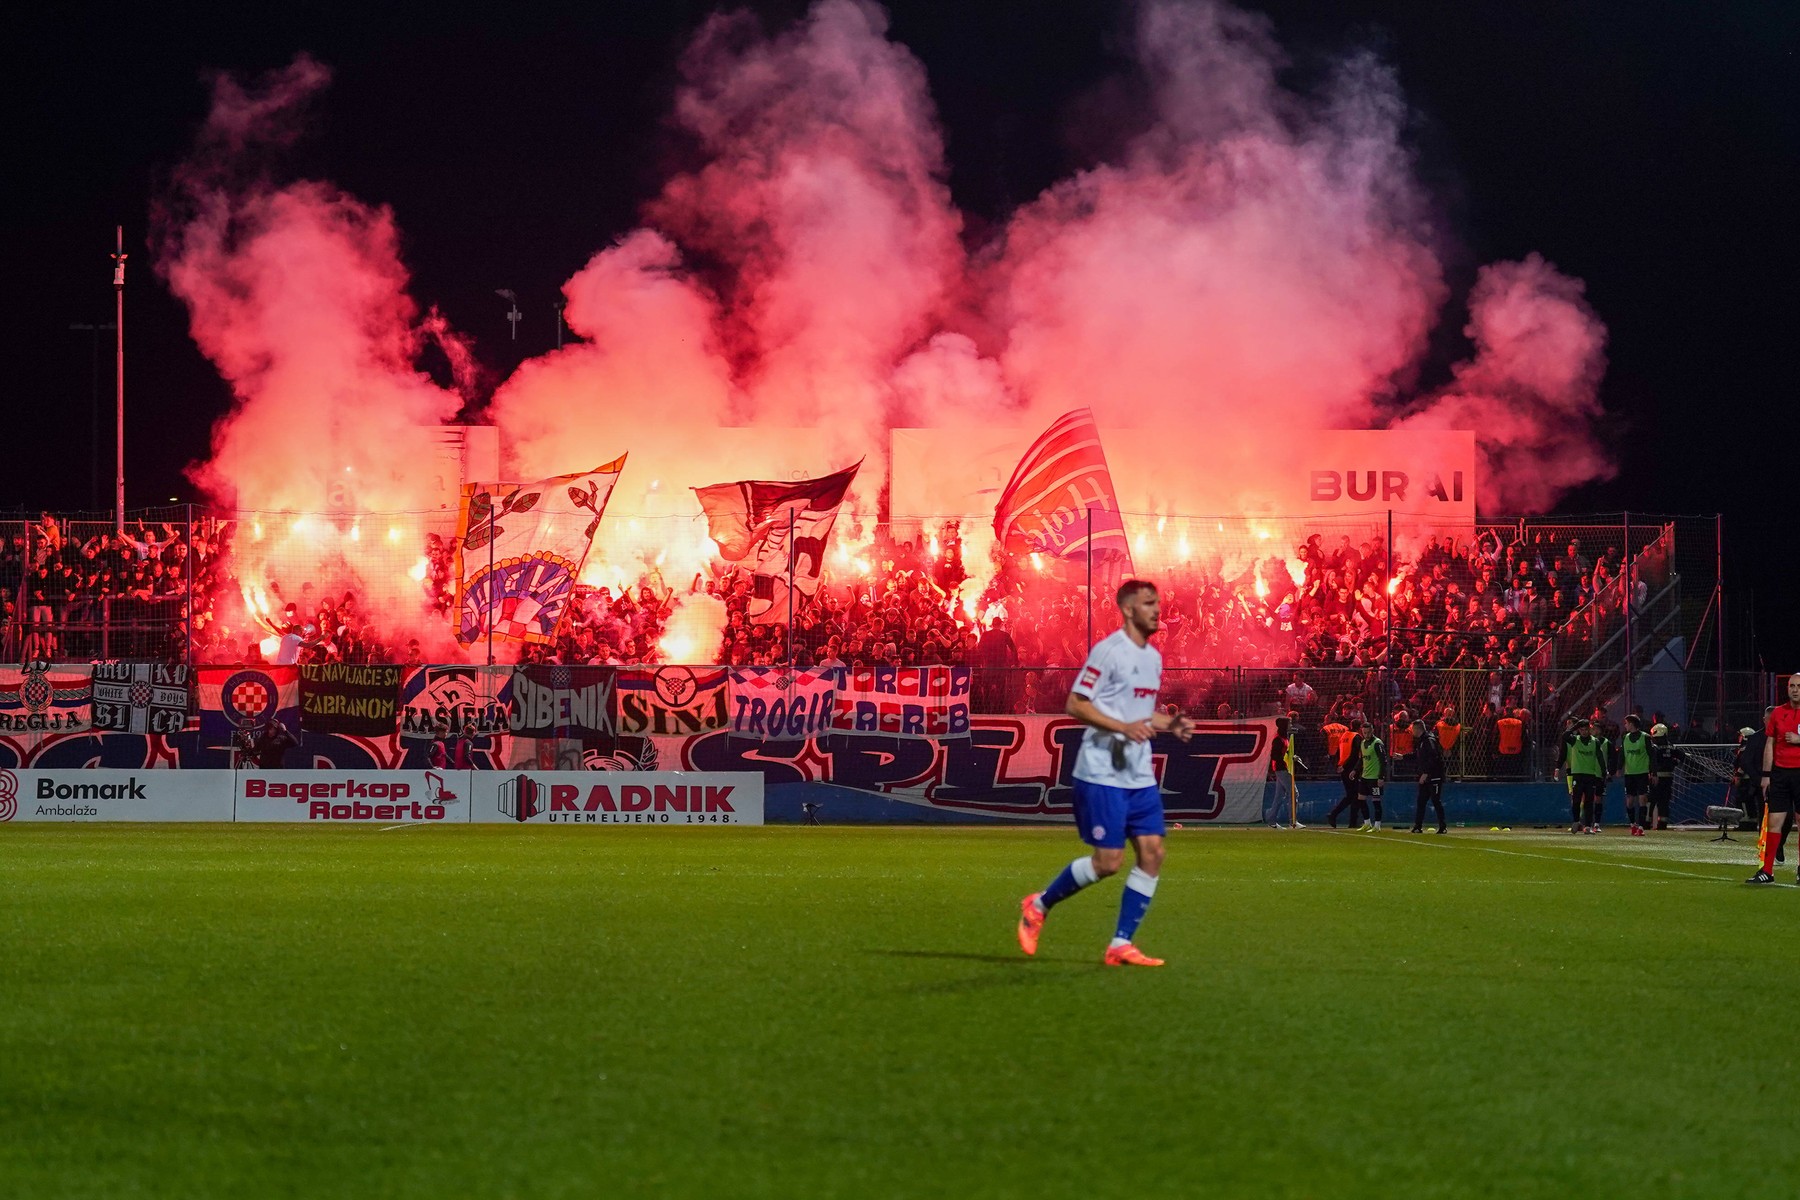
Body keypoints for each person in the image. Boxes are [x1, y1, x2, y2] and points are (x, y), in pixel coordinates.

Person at [1016, 580, 1195, 967]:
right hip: (1102, 772)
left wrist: (1171, 722)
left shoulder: (1153, 657)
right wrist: (1121, 727)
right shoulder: (1108, 651)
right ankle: (1039, 905)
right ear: (1129, 610)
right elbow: (1076, 704)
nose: (1156, 610)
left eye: (1157, 603)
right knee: (1108, 863)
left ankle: (1120, 943)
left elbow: (1139, 713)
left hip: (1139, 774)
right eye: (1149, 604)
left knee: (1153, 853)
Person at [1747, 675, 1800, 884]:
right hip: (1779, 774)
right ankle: (1767, 871)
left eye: (1798, 687)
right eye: (1792, 686)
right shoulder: (1777, 713)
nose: (1795, 690)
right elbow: (1769, 744)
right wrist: (1766, 776)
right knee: (1774, 822)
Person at [1556, 717, 1610, 834]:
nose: (1584, 732)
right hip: (1578, 774)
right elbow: (1564, 736)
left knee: (1589, 801)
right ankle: (1576, 821)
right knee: (1576, 800)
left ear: (1589, 730)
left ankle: (1587, 826)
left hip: (1590, 775)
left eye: (1586, 729)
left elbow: (1600, 757)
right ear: (1579, 730)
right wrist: (1575, 727)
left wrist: (1604, 772)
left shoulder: (1595, 742)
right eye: (1582, 730)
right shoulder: (1575, 740)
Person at [1409, 717, 1447, 834]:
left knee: (1436, 801)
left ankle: (1442, 826)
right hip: (1427, 776)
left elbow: (1433, 757)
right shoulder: (1422, 741)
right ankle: (1417, 826)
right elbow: (1418, 756)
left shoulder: (1428, 740)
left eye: (1413, 729)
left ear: (1417, 729)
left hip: (1434, 776)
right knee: (1421, 801)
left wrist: (1425, 773)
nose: (1412, 731)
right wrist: (1403, 756)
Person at [1617, 715, 1653, 836]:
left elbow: (1652, 756)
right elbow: (1622, 754)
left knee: (1642, 799)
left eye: (1626, 723)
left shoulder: (1645, 737)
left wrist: (1654, 772)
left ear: (1632, 724)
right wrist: (1619, 768)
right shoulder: (1625, 737)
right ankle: (1633, 825)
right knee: (1630, 801)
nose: (1625, 725)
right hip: (1629, 774)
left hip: (1642, 773)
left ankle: (1641, 827)